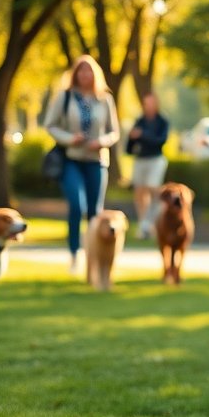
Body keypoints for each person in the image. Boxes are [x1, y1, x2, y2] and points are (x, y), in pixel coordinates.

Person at [43, 54, 121, 273]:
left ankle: (94, 256)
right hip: (71, 160)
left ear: (94, 73)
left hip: (96, 160)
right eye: (81, 70)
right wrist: (69, 138)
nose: (85, 74)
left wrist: (101, 142)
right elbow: (50, 125)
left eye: (89, 70)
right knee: (77, 206)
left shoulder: (104, 98)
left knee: (95, 213)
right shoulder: (65, 97)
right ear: (75, 74)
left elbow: (114, 131)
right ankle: (74, 253)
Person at [126, 93, 170, 239]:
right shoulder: (140, 121)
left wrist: (142, 135)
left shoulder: (162, 121)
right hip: (141, 159)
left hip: (156, 159)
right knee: (139, 192)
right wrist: (133, 137)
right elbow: (130, 146)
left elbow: (160, 141)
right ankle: (143, 224)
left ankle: (151, 223)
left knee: (153, 189)